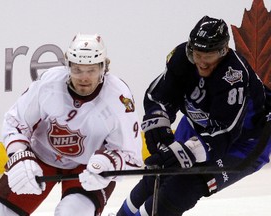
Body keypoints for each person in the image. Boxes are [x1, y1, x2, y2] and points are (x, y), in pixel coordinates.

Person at [116, 15, 271, 216]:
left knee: (182, 189)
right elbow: (158, 95)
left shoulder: (233, 76)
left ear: (223, 52)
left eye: (209, 56)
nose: (202, 63)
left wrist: (187, 151)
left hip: (246, 142)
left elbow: (225, 133)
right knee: (157, 174)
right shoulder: (182, 57)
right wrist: (158, 123)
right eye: (197, 55)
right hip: (198, 125)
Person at [0, 33, 143, 216]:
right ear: (67, 65)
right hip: (40, 158)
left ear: (103, 68)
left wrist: (109, 162)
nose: (84, 78)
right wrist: (19, 155)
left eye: (91, 70)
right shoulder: (49, 83)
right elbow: (16, 121)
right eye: (77, 70)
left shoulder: (118, 98)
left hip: (89, 167)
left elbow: (132, 156)